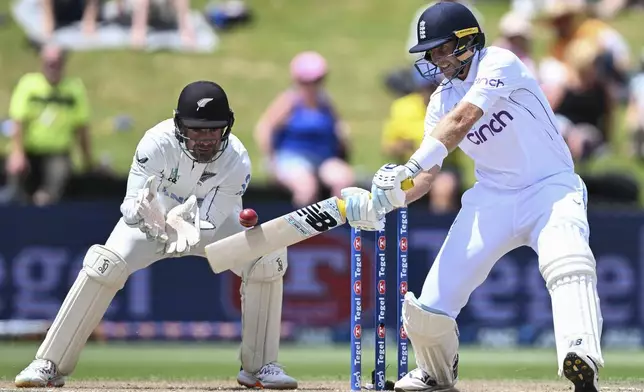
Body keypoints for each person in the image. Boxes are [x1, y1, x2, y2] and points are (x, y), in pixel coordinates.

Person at [341, 2, 602, 391]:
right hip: (492, 198)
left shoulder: (499, 62)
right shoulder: (438, 102)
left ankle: (580, 355)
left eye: (445, 48)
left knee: (568, 262)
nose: (437, 58)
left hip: (550, 187)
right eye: (432, 52)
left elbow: (463, 120)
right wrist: (387, 200)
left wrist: (408, 166)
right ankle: (435, 372)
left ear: (468, 42)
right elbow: (428, 177)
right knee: (429, 307)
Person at [14, 81, 298, 390]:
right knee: (103, 264)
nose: (204, 139)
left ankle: (259, 368)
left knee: (266, 260)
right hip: (155, 220)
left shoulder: (237, 159)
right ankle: (49, 364)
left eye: (213, 130)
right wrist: (141, 214)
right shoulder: (155, 143)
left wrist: (185, 227)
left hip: (210, 224)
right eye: (196, 129)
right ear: (179, 125)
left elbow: (210, 223)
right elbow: (130, 203)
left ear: (226, 126)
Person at [254, 51, 354, 207]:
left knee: (344, 180)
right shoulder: (289, 101)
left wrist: (344, 144)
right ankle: (301, 230)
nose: (313, 86)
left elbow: (338, 128)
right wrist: (271, 162)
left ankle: (337, 227)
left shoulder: (325, 102)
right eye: (307, 81)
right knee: (307, 187)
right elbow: (265, 128)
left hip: (323, 159)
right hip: (291, 158)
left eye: (318, 80)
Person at [6, 43, 93, 206]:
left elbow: (82, 127)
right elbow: (18, 121)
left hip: (58, 153)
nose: (53, 67)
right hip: (29, 151)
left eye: (57, 63)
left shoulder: (74, 89)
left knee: (59, 176)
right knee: (15, 174)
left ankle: (45, 206)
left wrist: (88, 161)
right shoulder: (28, 85)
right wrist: (17, 152)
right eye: (49, 63)